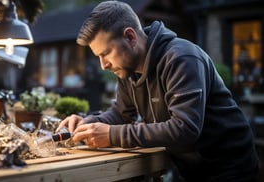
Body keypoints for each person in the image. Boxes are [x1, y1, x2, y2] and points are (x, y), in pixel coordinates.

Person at [56, 1, 259, 181]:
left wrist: (112, 134)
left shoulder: (181, 58)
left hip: (230, 168)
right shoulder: (127, 70)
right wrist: (88, 123)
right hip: (191, 170)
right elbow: (120, 114)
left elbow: (185, 128)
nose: (103, 65)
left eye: (106, 53)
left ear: (130, 36)